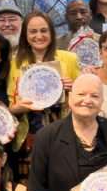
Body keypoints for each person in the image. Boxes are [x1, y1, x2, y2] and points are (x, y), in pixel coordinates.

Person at [8, 10, 81, 181]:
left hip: (65, 133)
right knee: (32, 185)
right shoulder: (15, 63)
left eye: (43, 30)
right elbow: (11, 107)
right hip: (29, 136)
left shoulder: (70, 59)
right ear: (25, 35)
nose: (39, 36)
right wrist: (21, 106)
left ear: (51, 33)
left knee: (64, 181)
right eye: (33, 31)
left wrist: (72, 88)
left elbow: (83, 97)